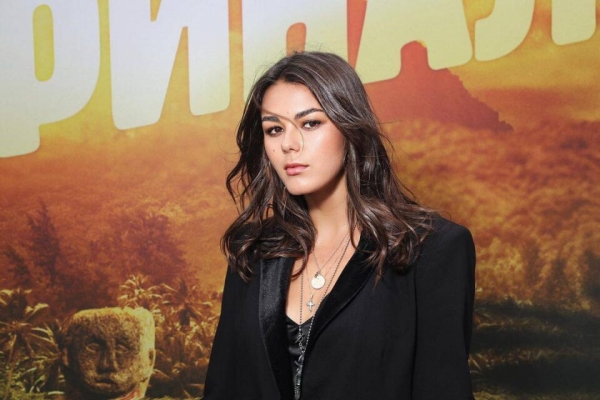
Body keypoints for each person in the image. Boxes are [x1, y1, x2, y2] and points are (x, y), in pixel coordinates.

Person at [204, 51, 476, 400]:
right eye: (274, 129)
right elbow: (223, 387)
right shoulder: (252, 250)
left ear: (350, 128)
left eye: (310, 123)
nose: (288, 144)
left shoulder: (431, 249)